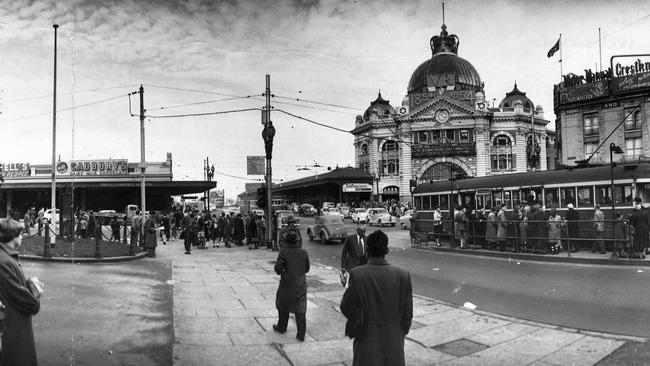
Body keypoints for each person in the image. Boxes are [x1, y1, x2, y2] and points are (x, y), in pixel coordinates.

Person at [340, 230, 413, 366]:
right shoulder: (403, 275)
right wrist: (400, 331)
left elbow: (346, 306)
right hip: (394, 338)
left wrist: (359, 320)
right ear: (387, 250)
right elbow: (407, 313)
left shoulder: (357, 275)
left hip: (367, 338)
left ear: (367, 250)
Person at [0, 218, 43, 366]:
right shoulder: (4, 261)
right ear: (11, 236)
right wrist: (34, 301)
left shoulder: (5, 257)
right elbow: (17, 294)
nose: (22, 236)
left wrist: (28, 282)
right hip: (12, 323)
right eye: (19, 233)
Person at [272, 230, 310, 342]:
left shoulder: (283, 252)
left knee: (283, 304)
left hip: (287, 284)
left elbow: (278, 270)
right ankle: (301, 334)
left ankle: (282, 327)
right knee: (300, 308)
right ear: (297, 241)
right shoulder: (304, 252)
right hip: (300, 284)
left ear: (287, 241)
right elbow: (307, 268)